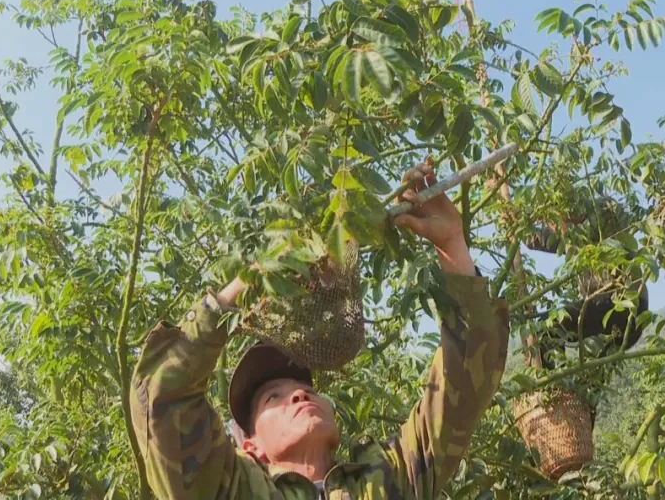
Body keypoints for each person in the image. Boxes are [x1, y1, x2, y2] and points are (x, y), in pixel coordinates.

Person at [129, 162, 510, 499]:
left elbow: (462, 386)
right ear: (250, 446)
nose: (298, 395)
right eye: (272, 398)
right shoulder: (230, 489)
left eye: (307, 389)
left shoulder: (388, 481)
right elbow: (165, 398)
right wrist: (249, 280)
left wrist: (451, 245)